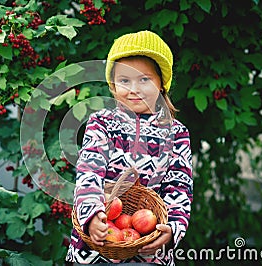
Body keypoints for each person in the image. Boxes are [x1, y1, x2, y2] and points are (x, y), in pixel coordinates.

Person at [66, 30, 193, 265]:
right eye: (125, 80)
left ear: (161, 84)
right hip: (98, 246)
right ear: (113, 86)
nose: (134, 88)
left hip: (148, 248)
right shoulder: (101, 123)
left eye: (144, 79)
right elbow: (89, 173)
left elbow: (179, 187)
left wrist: (173, 229)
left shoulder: (176, 133)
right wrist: (92, 215)